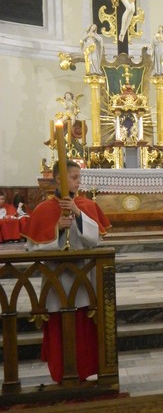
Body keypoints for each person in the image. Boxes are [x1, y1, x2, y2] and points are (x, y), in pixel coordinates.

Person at [21, 160, 111, 383]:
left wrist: (78, 215)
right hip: (56, 281)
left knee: (83, 326)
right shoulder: (43, 210)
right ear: (59, 178)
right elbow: (32, 247)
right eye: (74, 177)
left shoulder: (86, 205)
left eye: (80, 177)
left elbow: (94, 241)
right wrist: (57, 230)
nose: (79, 182)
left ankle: (86, 371)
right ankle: (61, 373)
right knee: (59, 327)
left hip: (83, 279)